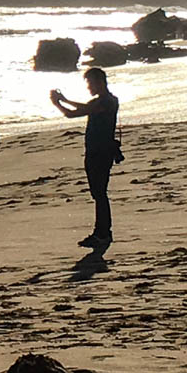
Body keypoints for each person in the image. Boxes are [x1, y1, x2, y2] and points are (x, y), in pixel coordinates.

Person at [50, 67, 119, 248]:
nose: (89, 87)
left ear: (99, 82)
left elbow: (78, 112)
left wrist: (60, 102)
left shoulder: (107, 101)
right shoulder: (102, 101)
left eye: (90, 83)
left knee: (100, 193)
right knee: (98, 193)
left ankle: (103, 232)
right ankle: (101, 232)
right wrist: (61, 102)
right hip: (96, 151)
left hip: (101, 152)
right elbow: (79, 111)